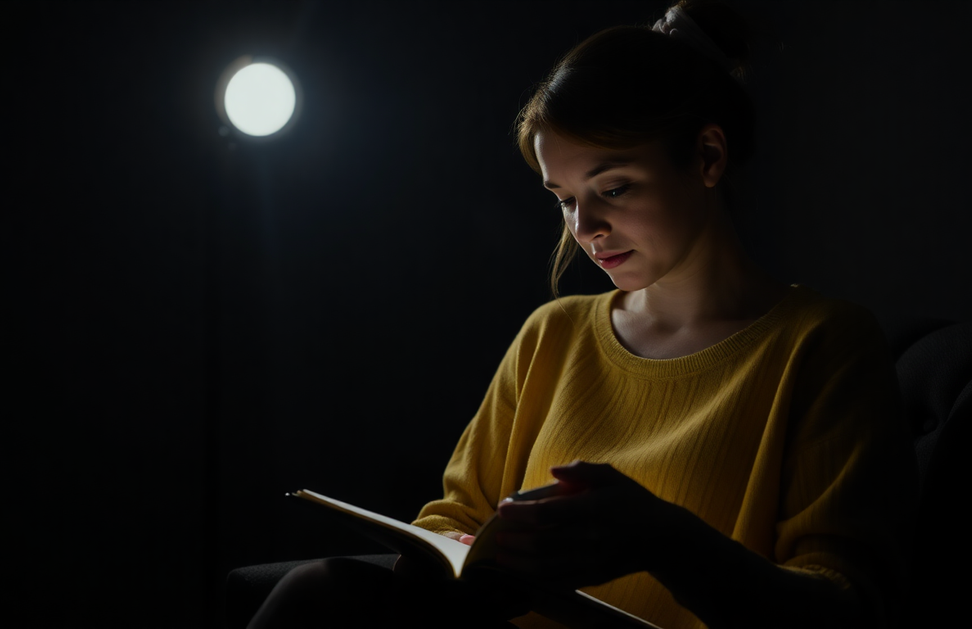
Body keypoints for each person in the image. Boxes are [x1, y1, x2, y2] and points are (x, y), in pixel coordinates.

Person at [249, 2, 918, 627]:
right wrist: (461, 552)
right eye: (563, 197)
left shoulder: (822, 345)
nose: (585, 227)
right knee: (319, 590)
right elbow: (458, 515)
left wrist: (664, 538)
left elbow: (846, 604)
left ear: (708, 157)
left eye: (614, 187)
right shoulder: (555, 334)